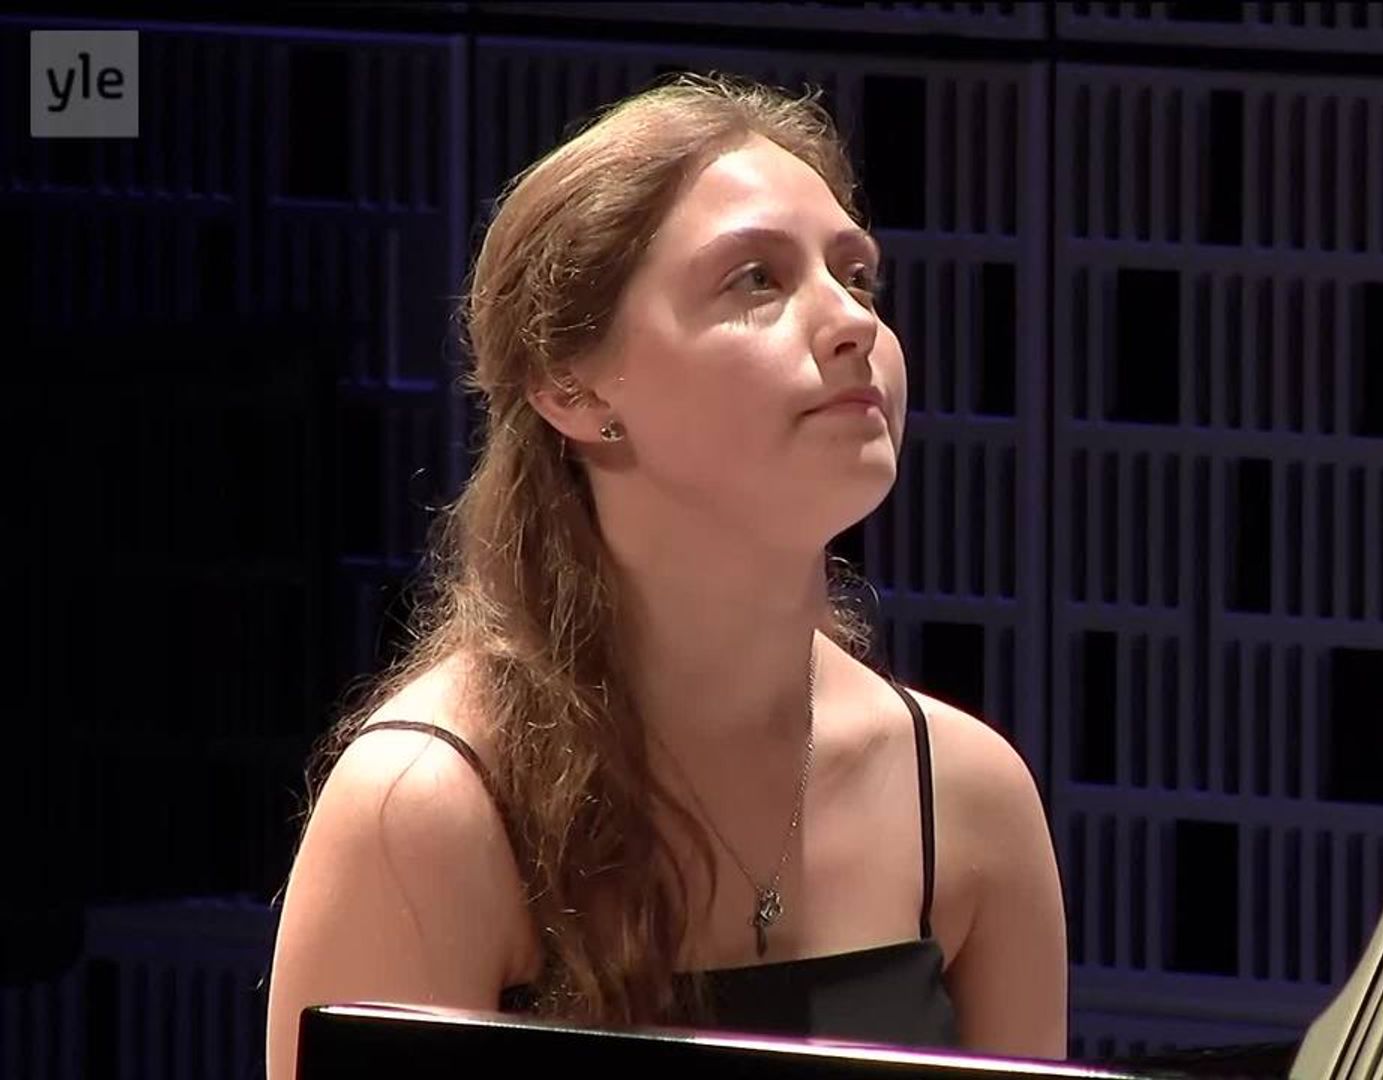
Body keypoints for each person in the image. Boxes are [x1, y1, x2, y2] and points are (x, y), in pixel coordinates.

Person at [264, 72, 1067, 1080]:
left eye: (856, 277)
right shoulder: (427, 809)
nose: (853, 323)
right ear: (571, 386)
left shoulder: (968, 795)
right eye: (756, 281)